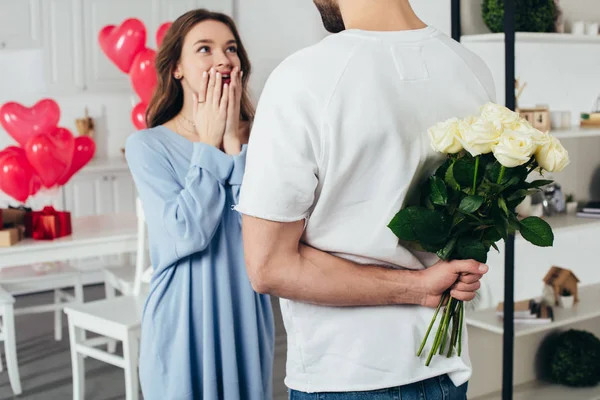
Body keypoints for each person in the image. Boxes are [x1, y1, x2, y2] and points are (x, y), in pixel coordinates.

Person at [235, 0, 495, 399]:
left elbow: (269, 266)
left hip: (345, 377)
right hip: (447, 372)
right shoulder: (472, 68)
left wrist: (419, 288)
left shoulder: (302, 78)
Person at [125, 9, 274, 400]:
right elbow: (184, 233)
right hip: (182, 316)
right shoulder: (146, 145)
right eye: (205, 49)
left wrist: (233, 147)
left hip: (244, 310)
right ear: (177, 68)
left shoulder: (263, 137)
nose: (223, 59)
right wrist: (208, 147)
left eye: (230, 49)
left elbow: (261, 231)